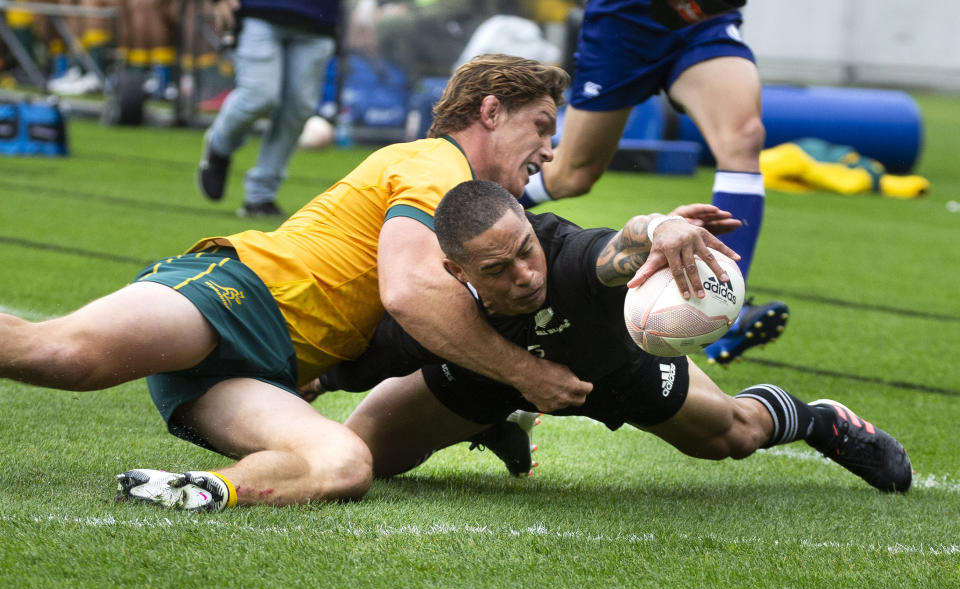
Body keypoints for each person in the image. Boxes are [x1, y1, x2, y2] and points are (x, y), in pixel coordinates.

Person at [0, 54, 619, 512]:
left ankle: (201, 490)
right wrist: (523, 374)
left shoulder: (465, 210)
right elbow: (409, 294)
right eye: (541, 126)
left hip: (257, 370)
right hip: (241, 298)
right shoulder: (440, 166)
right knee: (61, 357)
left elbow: (417, 326)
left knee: (344, 465)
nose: (549, 147)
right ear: (490, 112)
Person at [320, 179, 913, 494]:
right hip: (485, 378)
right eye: (498, 270)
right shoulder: (436, 313)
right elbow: (335, 367)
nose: (526, 275)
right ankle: (496, 419)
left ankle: (820, 421)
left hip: (615, 372)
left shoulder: (571, 258)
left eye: (526, 250)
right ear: (458, 273)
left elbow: (621, 245)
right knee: (360, 459)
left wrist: (661, 227)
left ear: (530, 228)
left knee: (734, 436)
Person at [519, 0, 788, 365]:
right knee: (573, 174)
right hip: (626, 20)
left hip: (701, 22)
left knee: (744, 137)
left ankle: (728, 308)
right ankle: (467, 209)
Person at [195, 0, 338, 217]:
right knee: (258, 96)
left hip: (318, 19)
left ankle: (260, 198)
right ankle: (219, 145)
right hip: (259, 10)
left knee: (298, 109)